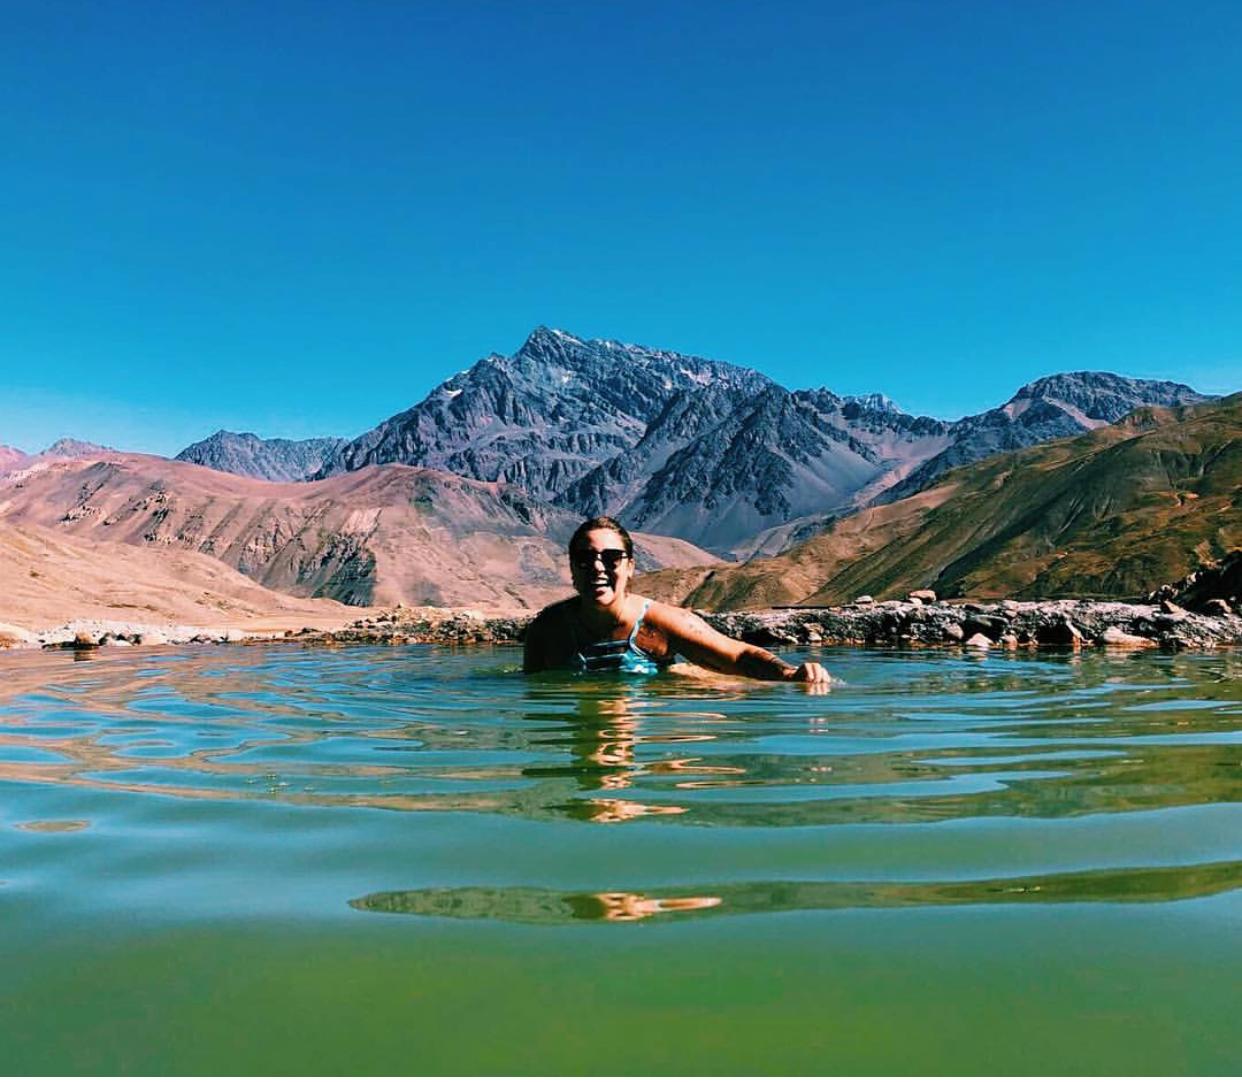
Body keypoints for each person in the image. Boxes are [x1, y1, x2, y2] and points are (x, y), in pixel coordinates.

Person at [523, 516, 831, 685]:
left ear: (630, 567)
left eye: (612, 558)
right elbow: (532, 688)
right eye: (585, 559)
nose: (598, 568)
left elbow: (737, 657)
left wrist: (791, 674)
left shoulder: (661, 623)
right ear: (572, 569)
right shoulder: (547, 630)